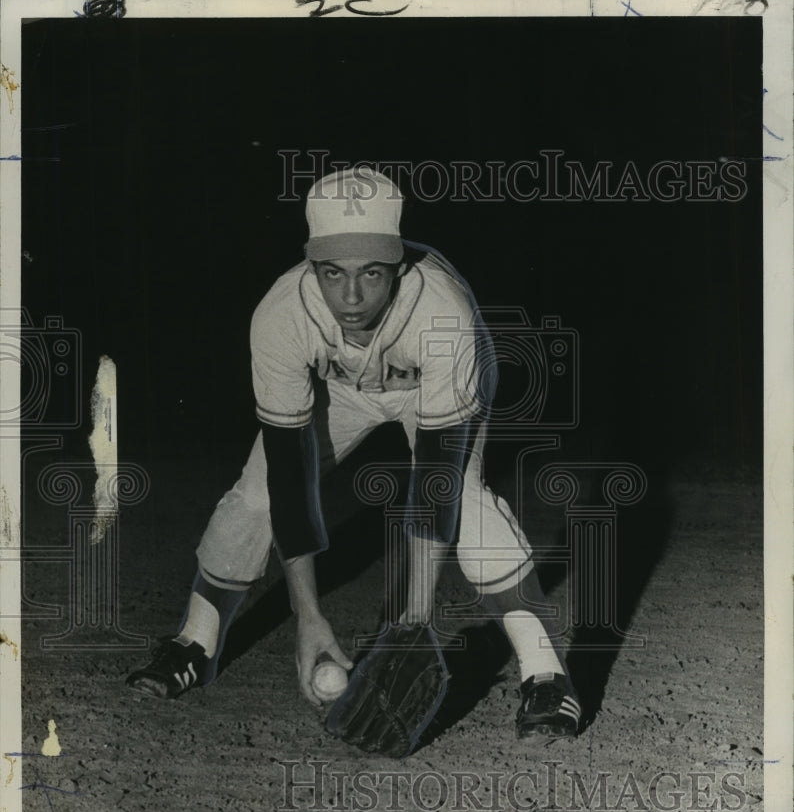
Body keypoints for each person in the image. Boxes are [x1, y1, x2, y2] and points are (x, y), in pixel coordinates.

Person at [126, 167, 581, 739]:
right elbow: (292, 483)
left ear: (399, 263)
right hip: (340, 390)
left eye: (372, 273)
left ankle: (546, 676)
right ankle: (195, 641)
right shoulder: (281, 317)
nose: (351, 297)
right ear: (310, 264)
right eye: (331, 273)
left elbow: (433, 488)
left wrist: (412, 625)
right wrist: (307, 620)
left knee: (463, 500)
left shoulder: (445, 318)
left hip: (435, 386)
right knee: (258, 491)